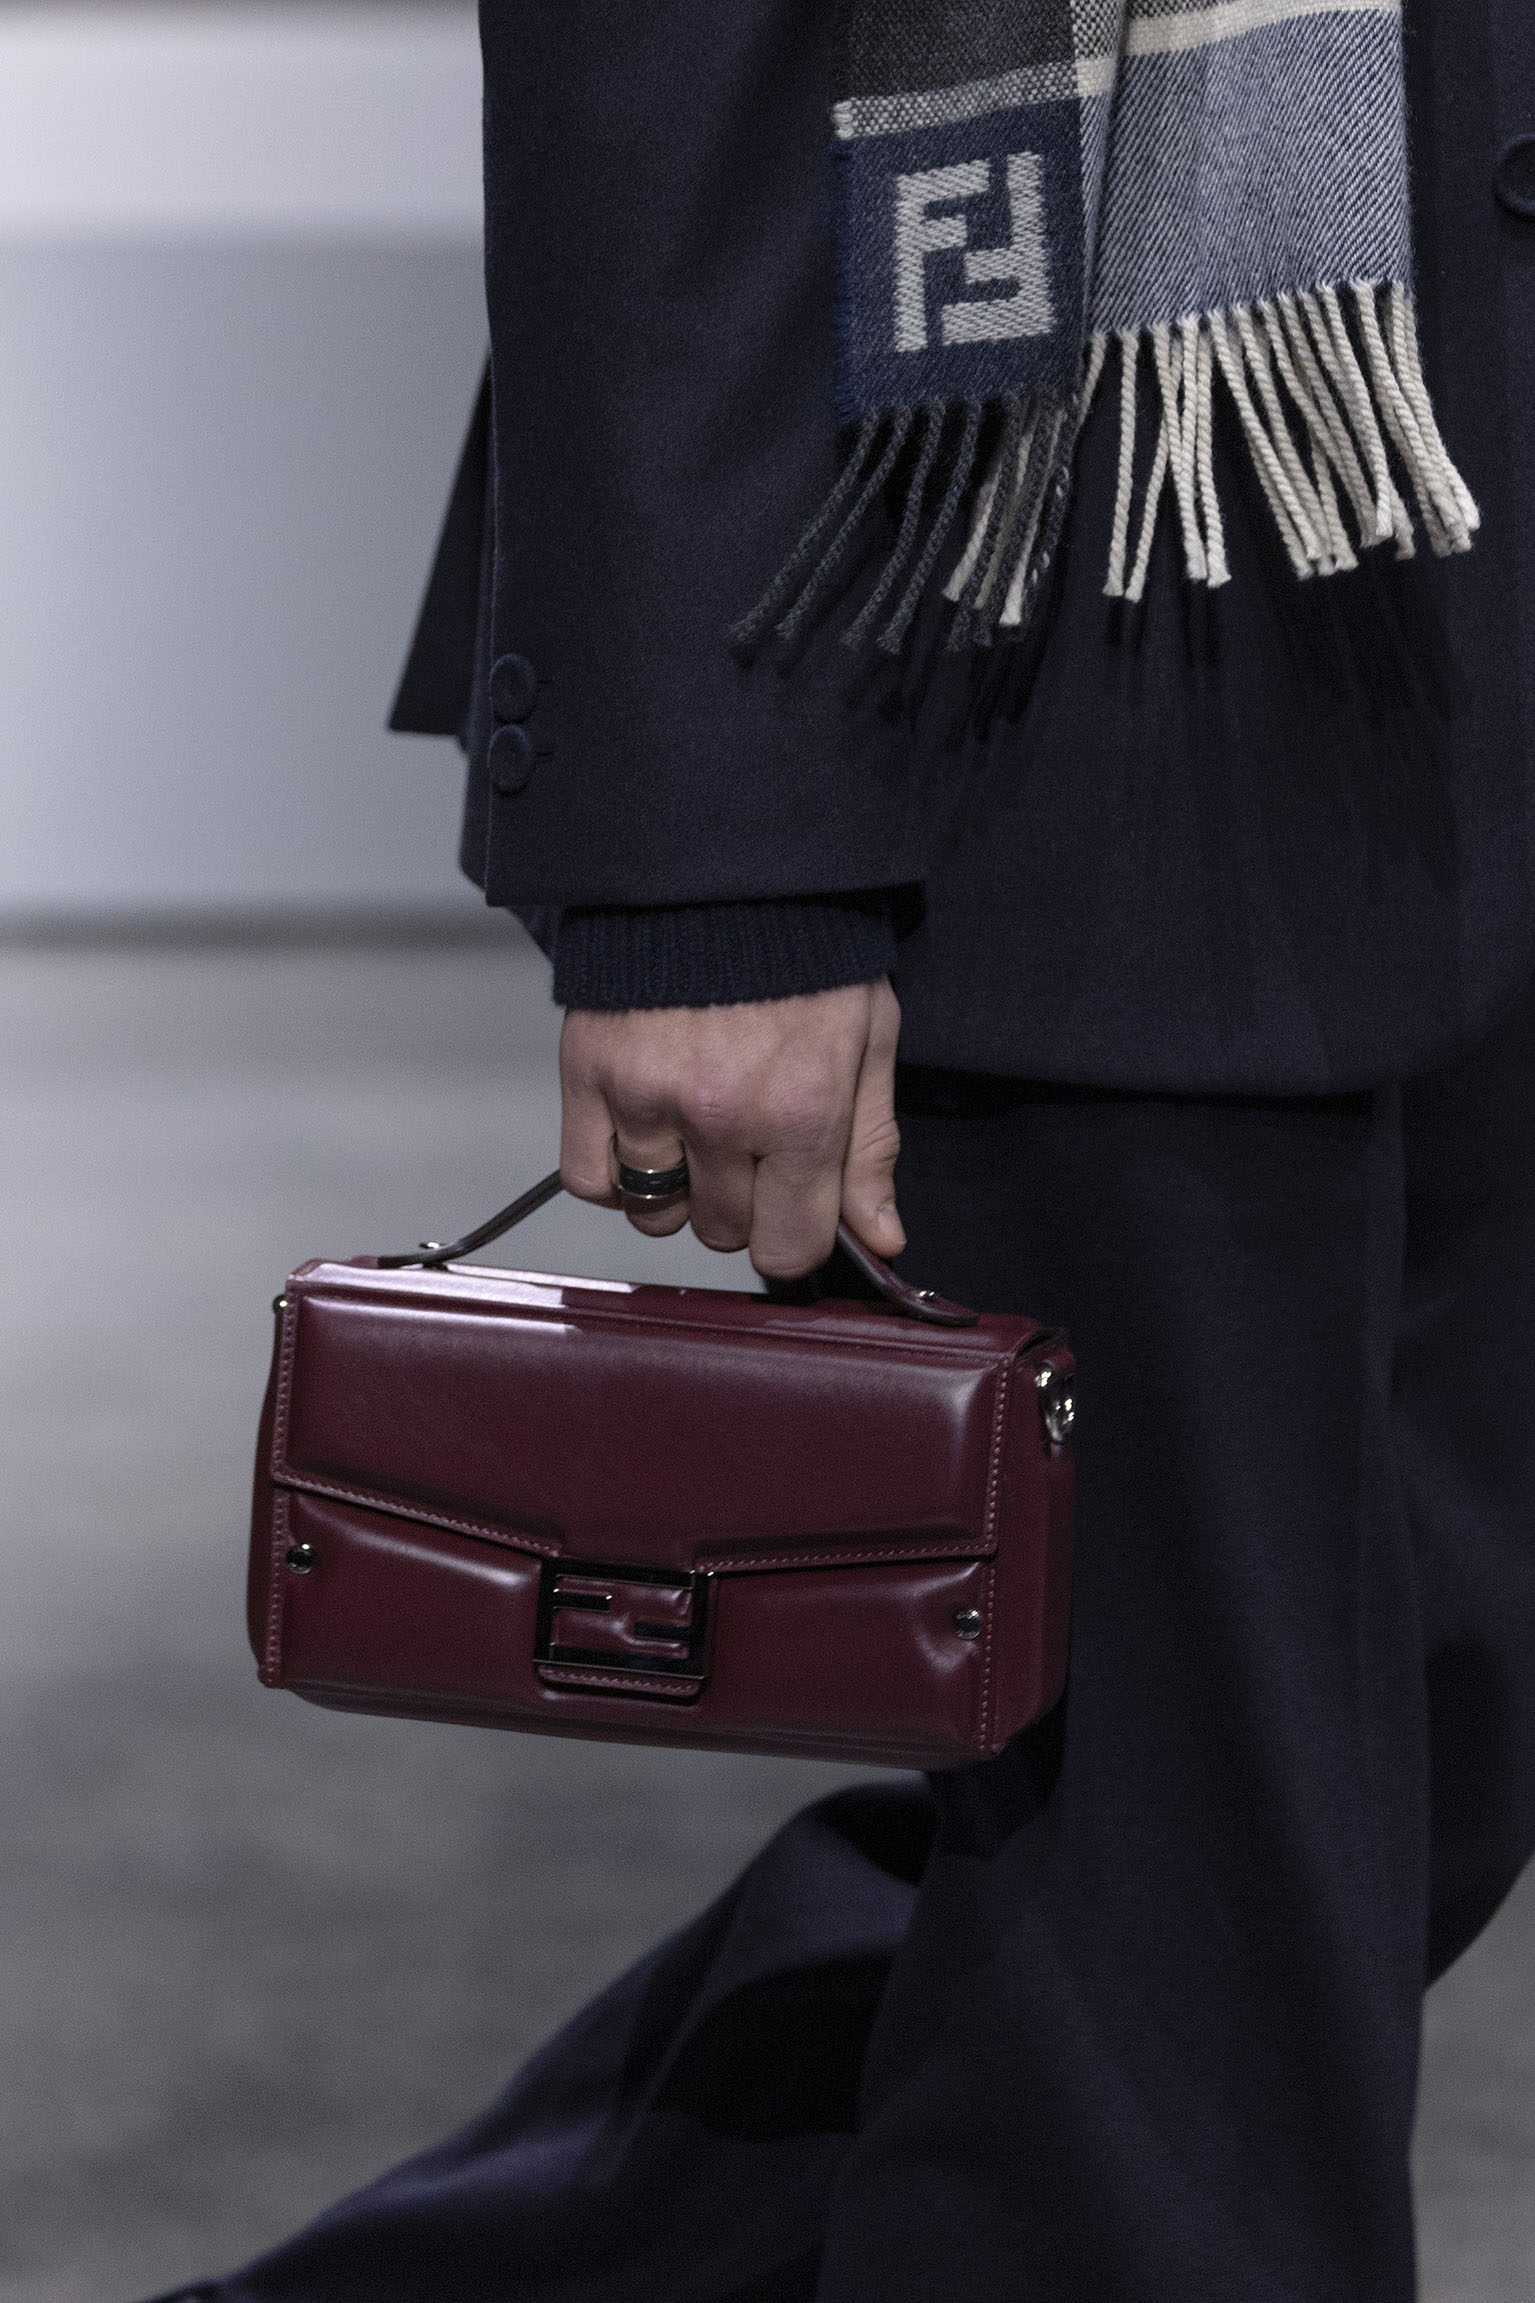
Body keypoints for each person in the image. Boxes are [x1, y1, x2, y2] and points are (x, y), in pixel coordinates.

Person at [154, 0, 1535, 2296]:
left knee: (1372, 1780)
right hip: (1058, 619)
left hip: (1441, 589)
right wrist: (711, 856)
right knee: (1182, 1967)